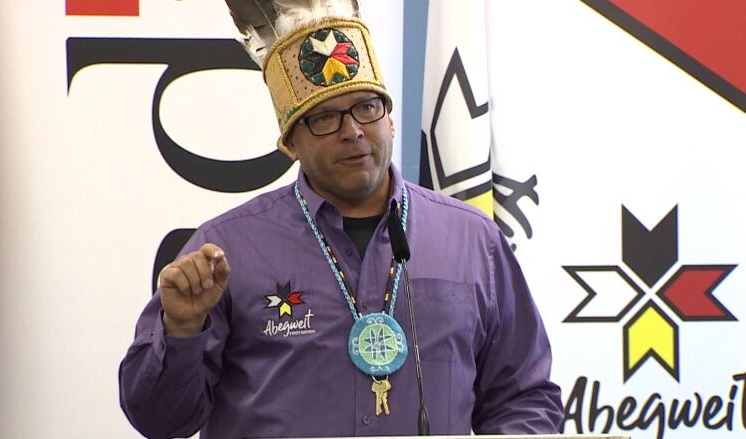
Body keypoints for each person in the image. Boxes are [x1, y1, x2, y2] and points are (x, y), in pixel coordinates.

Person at [119, 8, 563, 439]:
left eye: (367, 107)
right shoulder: (223, 250)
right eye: (326, 117)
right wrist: (180, 333)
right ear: (291, 141)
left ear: (389, 119)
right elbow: (159, 421)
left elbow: (523, 397)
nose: (352, 131)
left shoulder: (473, 240)